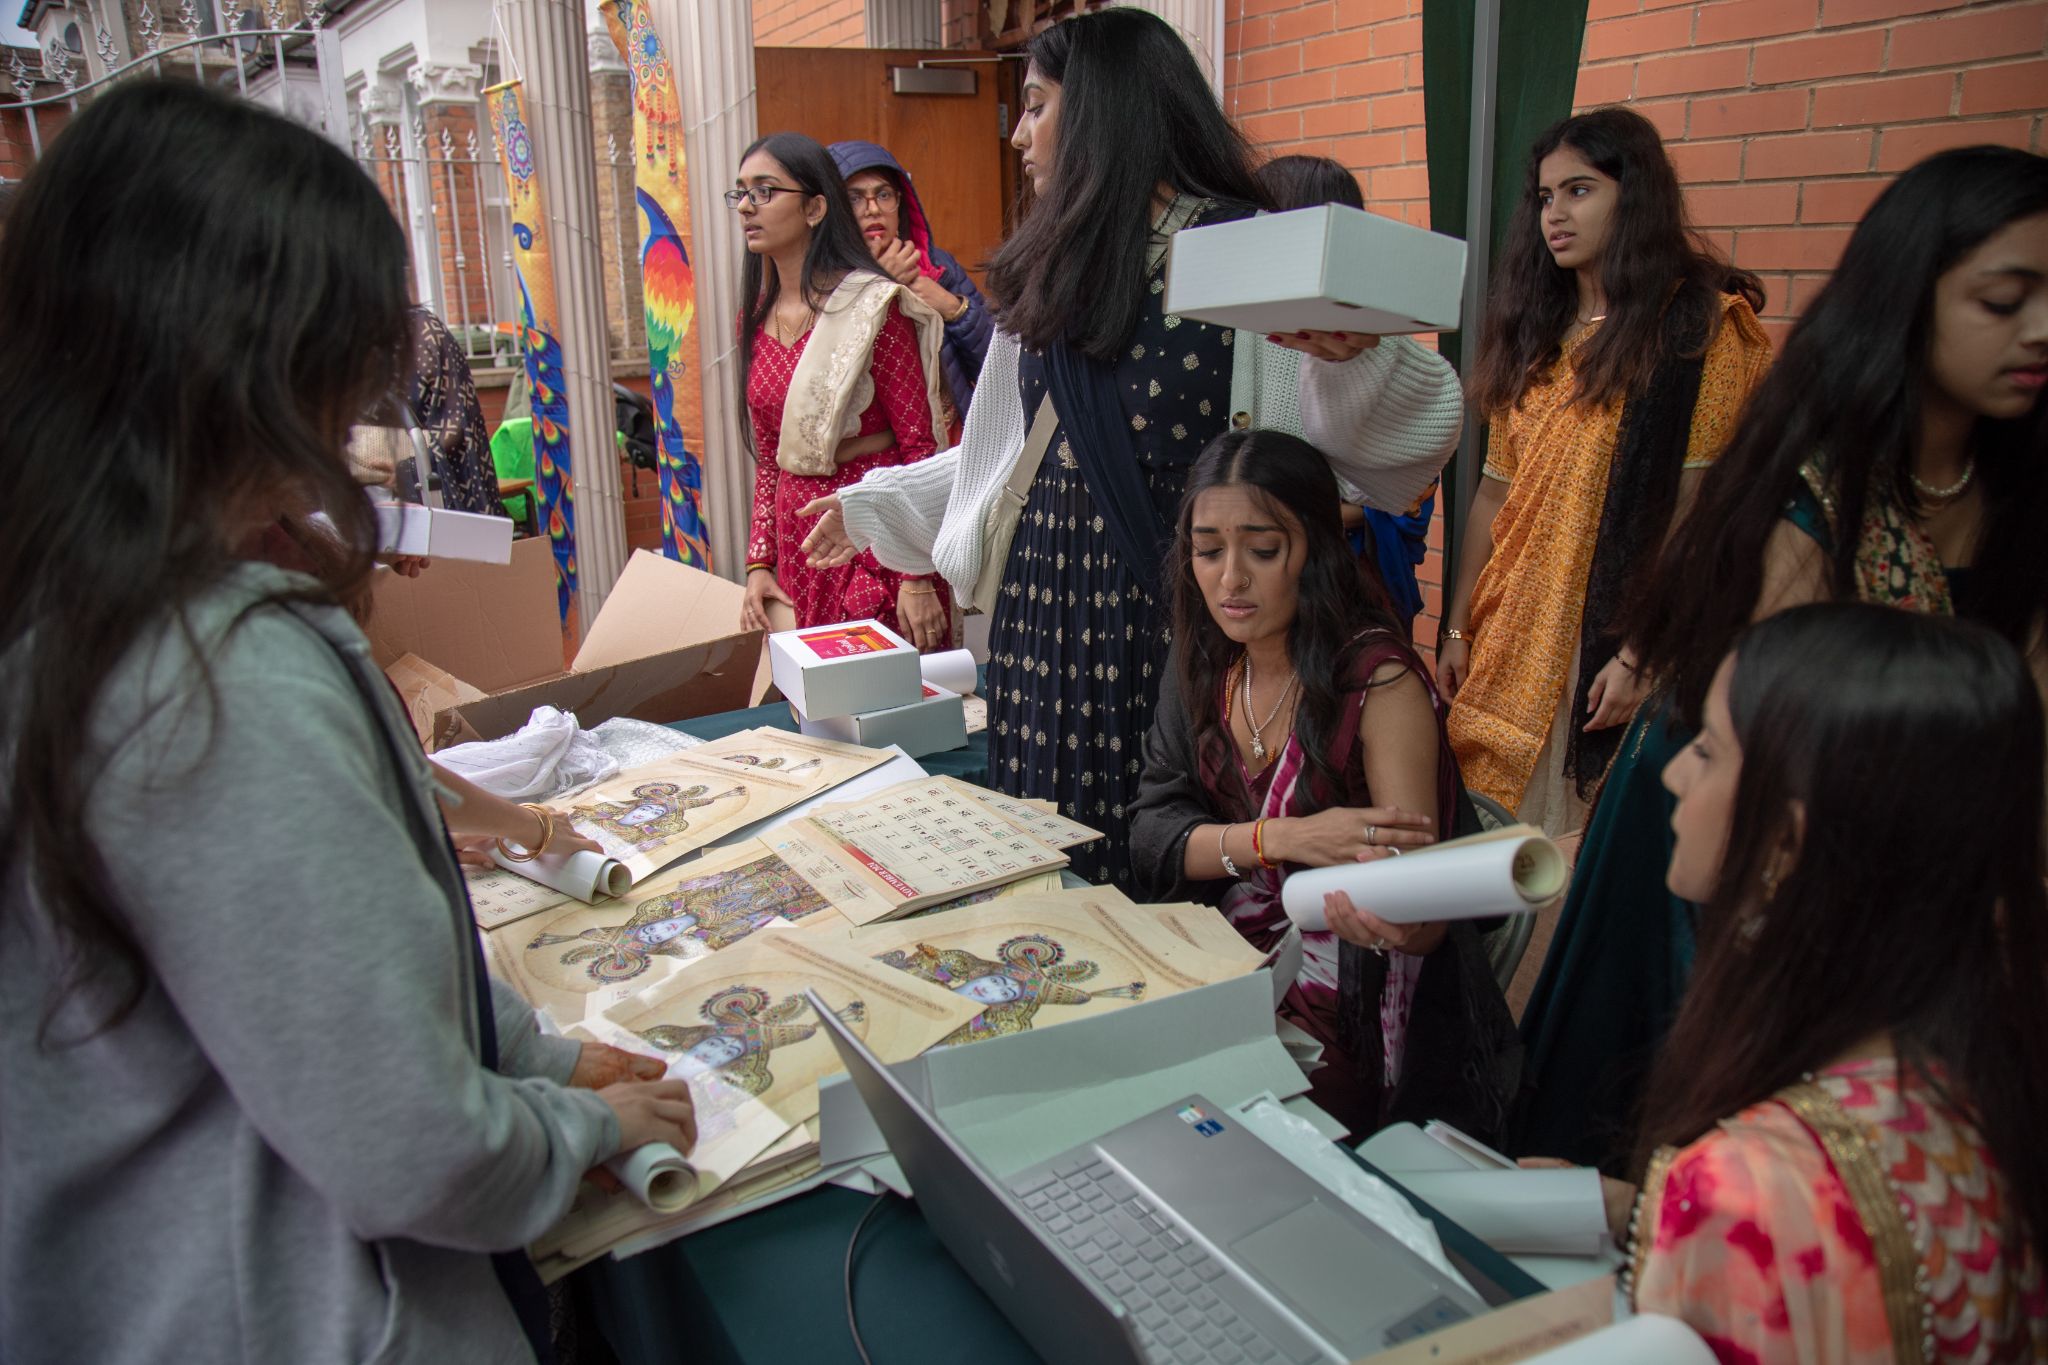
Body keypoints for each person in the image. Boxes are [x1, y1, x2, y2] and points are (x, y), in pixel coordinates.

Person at [0, 80, 696, 1363]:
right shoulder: (212, 678)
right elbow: (409, 1147)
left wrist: (533, 1056)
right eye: (342, 364)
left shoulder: (79, 601)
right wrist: (578, 1131)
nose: (353, 419)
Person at [798, 9, 1463, 885]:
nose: (1018, 132)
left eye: (1036, 105)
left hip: (1178, 626)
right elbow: (1010, 462)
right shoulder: (1052, 264)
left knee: (1169, 865)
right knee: (1052, 855)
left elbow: (1402, 447)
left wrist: (1352, 352)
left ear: (1104, 108)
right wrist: (875, 502)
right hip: (1043, 628)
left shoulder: (1243, 249)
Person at [1512, 145, 2048, 1171]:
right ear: (1908, 295)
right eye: (2001, 299)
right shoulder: (1804, 499)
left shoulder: (2016, 490)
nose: (2037, 331)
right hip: (1761, 844)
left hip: (1929, 869)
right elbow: (1771, 770)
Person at [1623, 605, 2048, 1360]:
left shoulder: (1746, 1189)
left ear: (1784, 840)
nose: (1674, 769)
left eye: (1710, 749)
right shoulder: (1984, 1085)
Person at [1128, 431, 1517, 1141]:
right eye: (1209, 550)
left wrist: (1397, 919)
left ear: (1313, 548)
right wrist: (1283, 838)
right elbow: (1154, 836)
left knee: (1212, 1124)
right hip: (1231, 968)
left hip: (1357, 1008)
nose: (1231, 579)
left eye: (1263, 549)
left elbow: (1423, 911)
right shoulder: (1204, 661)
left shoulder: (1379, 683)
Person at [1437, 107, 1772, 840]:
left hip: (1621, 638)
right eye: (1546, 196)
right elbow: (1495, 491)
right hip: (1514, 637)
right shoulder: (1535, 337)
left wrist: (1641, 650)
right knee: (1486, 840)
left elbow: (1696, 509)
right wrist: (1458, 626)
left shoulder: (1701, 333)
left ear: (1636, 196)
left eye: (1580, 190)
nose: (1555, 213)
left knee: (1593, 846)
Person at [731, 132, 954, 651]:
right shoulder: (755, 317)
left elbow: (919, 449)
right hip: (799, 546)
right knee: (816, 715)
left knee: (887, 711)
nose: (746, 207)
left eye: (764, 191)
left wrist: (915, 573)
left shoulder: (874, 308)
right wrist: (760, 562)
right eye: (740, 193)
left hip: (873, 536)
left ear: (814, 208)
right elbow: (770, 458)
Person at [1254, 153, 1437, 635]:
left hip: (1344, 590)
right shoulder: (1249, 338)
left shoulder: (1375, 346)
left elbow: (1408, 501)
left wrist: (1273, 515)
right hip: (1254, 584)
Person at [830, 139, 995, 422]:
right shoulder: (824, 280)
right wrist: (878, 285)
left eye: (883, 195)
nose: (873, 209)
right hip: (876, 450)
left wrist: (952, 307)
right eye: (854, 198)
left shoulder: (937, 267)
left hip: (951, 440)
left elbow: (995, 366)